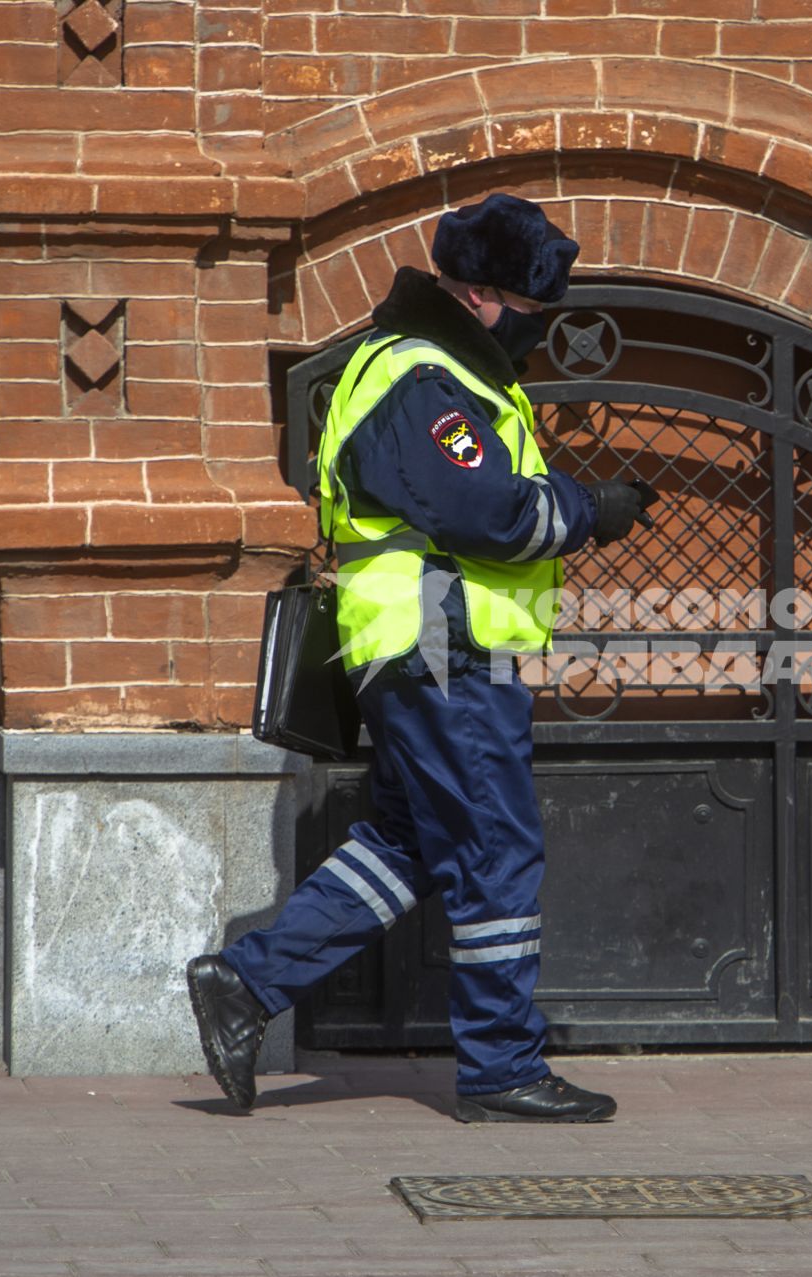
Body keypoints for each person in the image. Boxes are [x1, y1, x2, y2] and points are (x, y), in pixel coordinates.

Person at [186, 194, 656, 1122]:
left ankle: (246, 983)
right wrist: (591, 509)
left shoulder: (429, 370)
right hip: (442, 637)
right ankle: (502, 1067)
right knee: (494, 847)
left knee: (410, 842)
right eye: (530, 313)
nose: (537, 332)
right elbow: (492, 513)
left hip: (425, 636)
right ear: (481, 294)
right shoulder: (424, 379)